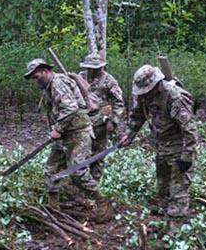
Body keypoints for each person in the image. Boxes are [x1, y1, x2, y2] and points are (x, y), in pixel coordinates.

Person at [24, 58, 113, 222]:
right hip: (65, 134)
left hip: (78, 132)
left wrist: (58, 130)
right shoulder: (48, 88)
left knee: (77, 170)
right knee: (51, 169)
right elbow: (55, 112)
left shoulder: (58, 83)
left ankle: (102, 202)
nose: (35, 81)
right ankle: (54, 207)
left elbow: (70, 107)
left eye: (36, 77)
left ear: (45, 71)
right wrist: (55, 130)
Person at [119, 65, 197, 222]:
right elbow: (138, 115)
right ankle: (163, 222)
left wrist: (186, 157)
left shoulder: (175, 97)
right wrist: (130, 134)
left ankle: (174, 232)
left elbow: (190, 130)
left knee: (178, 191)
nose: (145, 94)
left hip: (179, 149)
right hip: (161, 147)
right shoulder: (145, 96)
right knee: (163, 189)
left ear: (156, 85)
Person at [78, 53, 126, 180]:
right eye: (90, 68)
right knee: (81, 154)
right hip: (82, 122)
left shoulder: (109, 80)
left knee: (98, 154)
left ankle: (96, 180)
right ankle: (83, 182)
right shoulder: (80, 77)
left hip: (100, 123)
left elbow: (118, 102)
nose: (92, 71)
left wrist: (113, 120)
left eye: (95, 68)